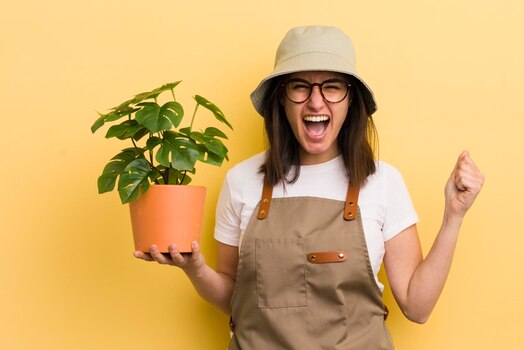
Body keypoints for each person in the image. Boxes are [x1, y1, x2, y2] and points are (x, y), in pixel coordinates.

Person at [134, 25, 485, 349]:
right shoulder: (241, 181)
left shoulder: (383, 182)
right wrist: (194, 269)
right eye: (300, 86)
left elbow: (417, 306)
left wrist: (454, 215)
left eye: (332, 86)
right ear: (281, 99)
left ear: (351, 101)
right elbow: (235, 296)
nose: (316, 102)